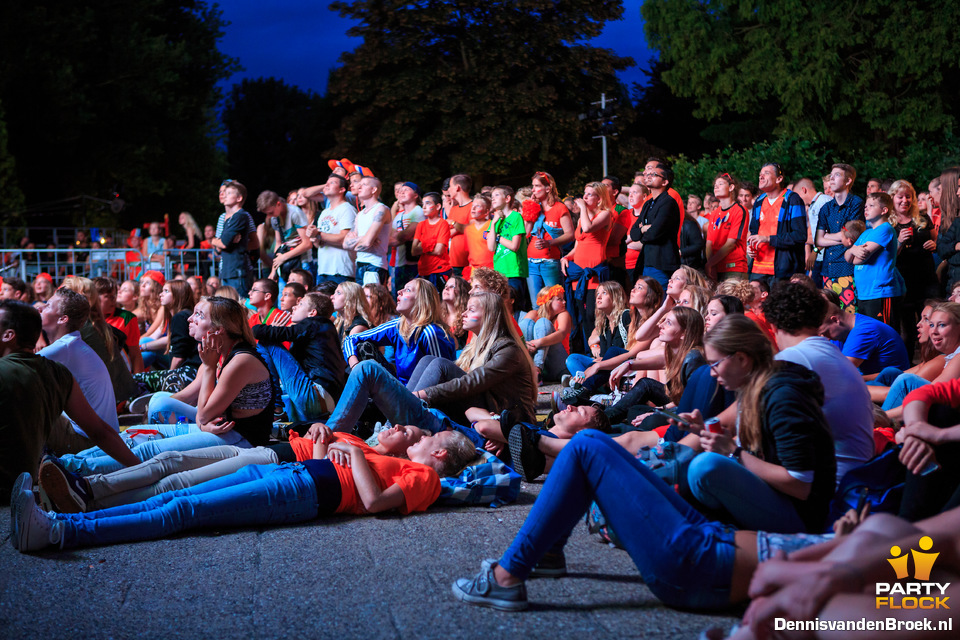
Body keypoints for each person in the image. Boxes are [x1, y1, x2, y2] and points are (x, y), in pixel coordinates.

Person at [11, 428, 477, 552]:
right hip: (297, 478)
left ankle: (57, 533)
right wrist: (338, 448)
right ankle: (61, 521)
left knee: (183, 508)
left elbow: (374, 503)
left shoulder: (427, 478)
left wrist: (351, 453)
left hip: (306, 494)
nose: (421, 436)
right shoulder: (400, 460)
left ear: (441, 452)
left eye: (429, 437)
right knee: (173, 498)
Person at [56, 297, 274, 476]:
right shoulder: (221, 354)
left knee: (150, 448)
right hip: (220, 429)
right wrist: (202, 422)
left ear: (220, 329)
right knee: (135, 432)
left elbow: (205, 413)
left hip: (242, 441)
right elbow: (202, 416)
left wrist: (208, 368)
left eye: (199, 315)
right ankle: (65, 461)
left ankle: (70, 469)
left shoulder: (240, 360)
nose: (190, 319)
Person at [684, 314, 837, 533]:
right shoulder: (758, 387)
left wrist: (732, 452)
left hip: (801, 515)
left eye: (715, 364)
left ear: (742, 359)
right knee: (694, 467)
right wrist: (703, 431)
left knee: (705, 468)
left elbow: (800, 485)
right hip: (778, 498)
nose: (711, 372)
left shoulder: (784, 398)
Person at [0, 300, 139, 500]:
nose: (44, 308)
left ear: (9, 335)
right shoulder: (60, 374)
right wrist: (142, 469)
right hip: (24, 484)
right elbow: (100, 431)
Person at [764, 282, 874, 483]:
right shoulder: (830, 351)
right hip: (857, 475)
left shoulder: (793, 358)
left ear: (773, 326)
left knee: (706, 467)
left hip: (832, 486)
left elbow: (746, 414)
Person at [37, 288, 119, 454]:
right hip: (101, 438)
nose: (40, 308)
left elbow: (14, 368)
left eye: (47, 306)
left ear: (63, 319)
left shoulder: (64, 348)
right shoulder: (72, 344)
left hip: (87, 441)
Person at [342, 278, 455, 385]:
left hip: (422, 398)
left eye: (408, 290)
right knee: (363, 346)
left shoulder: (431, 332)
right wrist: (355, 366)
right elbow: (351, 339)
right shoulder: (398, 325)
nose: (399, 292)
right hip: (400, 391)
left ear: (421, 300)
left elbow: (443, 378)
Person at [253, 292, 346, 421]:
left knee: (266, 342)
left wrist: (268, 328)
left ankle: (276, 410)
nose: (294, 307)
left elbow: (261, 332)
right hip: (326, 400)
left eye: (300, 304)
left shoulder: (314, 323)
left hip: (315, 395)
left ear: (312, 313)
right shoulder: (324, 329)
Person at [561, 182, 614, 352]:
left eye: (590, 194)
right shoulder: (584, 217)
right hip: (579, 272)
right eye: (585, 193)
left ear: (599, 199)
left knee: (594, 314)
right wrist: (567, 257)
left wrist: (583, 209)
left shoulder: (605, 214)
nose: (584, 197)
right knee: (583, 316)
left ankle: (599, 351)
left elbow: (588, 228)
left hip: (594, 272)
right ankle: (587, 352)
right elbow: (578, 244)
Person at [891, 179, 939, 358]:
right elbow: (887, 257)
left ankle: (934, 363)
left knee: (932, 324)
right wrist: (900, 242)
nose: (905, 200)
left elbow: (936, 241)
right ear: (892, 198)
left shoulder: (923, 219)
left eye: (908, 196)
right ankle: (907, 367)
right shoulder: (888, 224)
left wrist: (934, 245)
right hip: (904, 283)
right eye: (900, 197)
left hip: (927, 280)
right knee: (908, 330)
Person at [846, 191, 905, 327]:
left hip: (880, 293)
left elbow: (858, 259)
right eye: (866, 206)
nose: (866, 208)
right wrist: (851, 250)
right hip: (864, 293)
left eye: (871, 205)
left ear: (884, 210)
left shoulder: (885, 229)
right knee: (870, 334)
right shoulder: (867, 233)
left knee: (884, 335)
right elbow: (848, 257)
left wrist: (852, 251)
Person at [131, 281, 200, 396]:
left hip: (187, 373)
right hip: (191, 372)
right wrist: (142, 347)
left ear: (178, 295)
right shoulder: (183, 315)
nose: (160, 294)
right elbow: (171, 339)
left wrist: (168, 378)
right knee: (145, 343)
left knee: (135, 379)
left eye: (166, 291)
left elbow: (178, 357)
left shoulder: (180, 317)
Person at [818, 289, 911, 375]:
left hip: (892, 388)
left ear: (835, 320)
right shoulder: (840, 331)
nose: (826, 338)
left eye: (825, 332)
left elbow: (839, 373)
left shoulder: (864, 330)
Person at [746, 163, 807, 285]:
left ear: (779, 179)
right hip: (758, 268)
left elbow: (800, 236)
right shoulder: (759, 201)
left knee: (778, 304)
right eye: (760, 174)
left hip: (783, 269)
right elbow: (754, 232)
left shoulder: (792, 199)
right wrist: (750, 246)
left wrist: (768, 239)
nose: (761, 177)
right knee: (756, 303)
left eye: (766, 173)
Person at [815, 163, 865, 310]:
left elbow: (851, 234)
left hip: (846, 268)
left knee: (849, 312)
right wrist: (841, 236)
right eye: (831, 175)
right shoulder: (826, 208)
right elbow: (818, 240)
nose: (831, 178)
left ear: (848, 181)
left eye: (837, 175)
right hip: (828, 268)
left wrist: (828, 236)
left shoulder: (856, 203)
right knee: (829, 313)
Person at [628, 163, 681, 289]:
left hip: (662, 263)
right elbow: (634, 233)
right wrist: (643, 228)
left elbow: (654, 234)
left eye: (654, 175)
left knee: (660, 300)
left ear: (665, 182)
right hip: (647, 261)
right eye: (649, 174)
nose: (649, 176)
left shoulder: (668, 203)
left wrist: (645, 232)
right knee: (648, 303)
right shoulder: (648, 204)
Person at [303, 174, 357, 285]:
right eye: (327, 182)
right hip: (323, 269)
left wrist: (318, 234)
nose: (327, 184)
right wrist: (315, 238)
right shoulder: (324, 212)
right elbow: (319, 244)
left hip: (341, 270)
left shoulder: (347, 209)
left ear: (342, 189)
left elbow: (345, 238)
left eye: (332, 183)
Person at [343, 177, 392, 286]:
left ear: (374, 190)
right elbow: (345, 244)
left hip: (374, 264)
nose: (359, 187)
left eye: (364, 184)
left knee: (372, 301)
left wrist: (360, 241)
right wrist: (362, 238)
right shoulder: (360, 214)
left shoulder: (381, 209)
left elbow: (367, 243)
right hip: (360, 263)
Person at [519, 285, 571, 384]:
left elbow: (561, 333)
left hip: (557, 365)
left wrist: (539, 342)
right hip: (535, 362)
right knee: (526, 323)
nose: (564, 302)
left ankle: (536, 369)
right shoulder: (533, 314)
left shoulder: (563, 314)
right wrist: (525, 344)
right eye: (560, 299)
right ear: (548, 302)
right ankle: (526, 371)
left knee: (543, 323)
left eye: (563, 299)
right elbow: (518, 334)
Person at [211, 180, 256, 296]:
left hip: (237, 270)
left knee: (240, 304)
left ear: (239, 198)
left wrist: (215, 241)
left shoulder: (240, 216)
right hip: (227, 270)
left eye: (229, 193)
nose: (224, 195)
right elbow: (220, 246)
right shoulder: (226, 218)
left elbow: (224, 243)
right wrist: (217, 241)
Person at [258, 190, 313, 283]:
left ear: (278, 204)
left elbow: (307, 243)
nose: (268, 216)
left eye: (270, 212)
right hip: (285, 262)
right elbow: (279, 244)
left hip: (302, 262)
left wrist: (284, 257)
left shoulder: (295, 213)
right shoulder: (274, 218)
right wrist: (273, 270)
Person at [487, 185, 528, 304]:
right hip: (499, 272)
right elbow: (491, 247)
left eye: (496, 195)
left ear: (507, 198)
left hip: (514, 272)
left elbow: (514, 246)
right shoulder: (495, 220)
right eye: (492, 196)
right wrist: (494, 224)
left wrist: (498, 237)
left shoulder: (516, 217)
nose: (493, 199)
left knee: (515, 307)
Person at [94, 276, 144, 374]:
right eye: (108, 296)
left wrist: (139, 381)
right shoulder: (85, 318)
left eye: (114, 295)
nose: (114, 299)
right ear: (95, 297)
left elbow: (135, 354)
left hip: (119, 373)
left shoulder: (127, 318)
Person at [411, 192, 452, 290]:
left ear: (438, 206)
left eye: (428, 203)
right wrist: (431, 244)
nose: (424, 207)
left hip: (439, 270)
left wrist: (423, 245)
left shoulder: (443, 224)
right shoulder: (421, 225)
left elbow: (439, 250)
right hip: (423, 270)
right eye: (423, 204)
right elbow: (413, 251)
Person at [389, 181, 424, 294]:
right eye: (400, 191)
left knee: (413, 297)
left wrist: (397, 236)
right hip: (400, 262)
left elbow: (404, 235)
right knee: (399, 296)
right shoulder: (399, 215)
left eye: (406, 190)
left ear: (415, 195)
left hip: (414, 264)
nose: (401, 192)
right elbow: (392, 236)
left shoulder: (418, 211)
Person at [446, 174, 474, 278]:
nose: (448, 189)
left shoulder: (474, 206)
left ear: (457, 187)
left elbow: (472, 229)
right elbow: (447, 232)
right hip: (453, 261)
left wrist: (454, 223)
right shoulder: (454, 209)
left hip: (467, 261)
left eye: (450, 186)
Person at [463, 193, 494, 280]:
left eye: (478, 206)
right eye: (472, 206)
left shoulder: (492, 225)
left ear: (487, 212)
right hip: (474, 271)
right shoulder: (468, 229)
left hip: (490, 270)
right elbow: (470, 253)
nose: (473, 208)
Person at [441, 276, 470, 349]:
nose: (446, 289)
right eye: (446, 286)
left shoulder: (467, 317)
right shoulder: (439, 315)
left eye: (452, 287)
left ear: (462, 292)